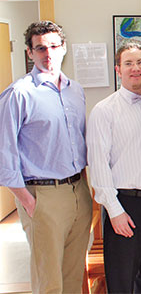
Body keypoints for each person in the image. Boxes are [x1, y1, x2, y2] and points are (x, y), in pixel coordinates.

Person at [0, 21, 92, 293]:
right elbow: (4, 155)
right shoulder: (19, 94)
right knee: (49, 281)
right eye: (40, 48)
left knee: (74, 275)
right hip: (42, 196)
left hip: (79, 191)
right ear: (30, 53)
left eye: (53, 46)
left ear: (63, 48)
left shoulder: (75, 90)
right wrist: (27, 201)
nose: (48, 54)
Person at [86, 42, 141, 293]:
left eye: (140, 62)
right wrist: (114, 211)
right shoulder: (104, 110)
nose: (135, 68)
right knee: (122, 280)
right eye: (128, 63)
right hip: (124, 205)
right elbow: (98, 164)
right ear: (118, 69)